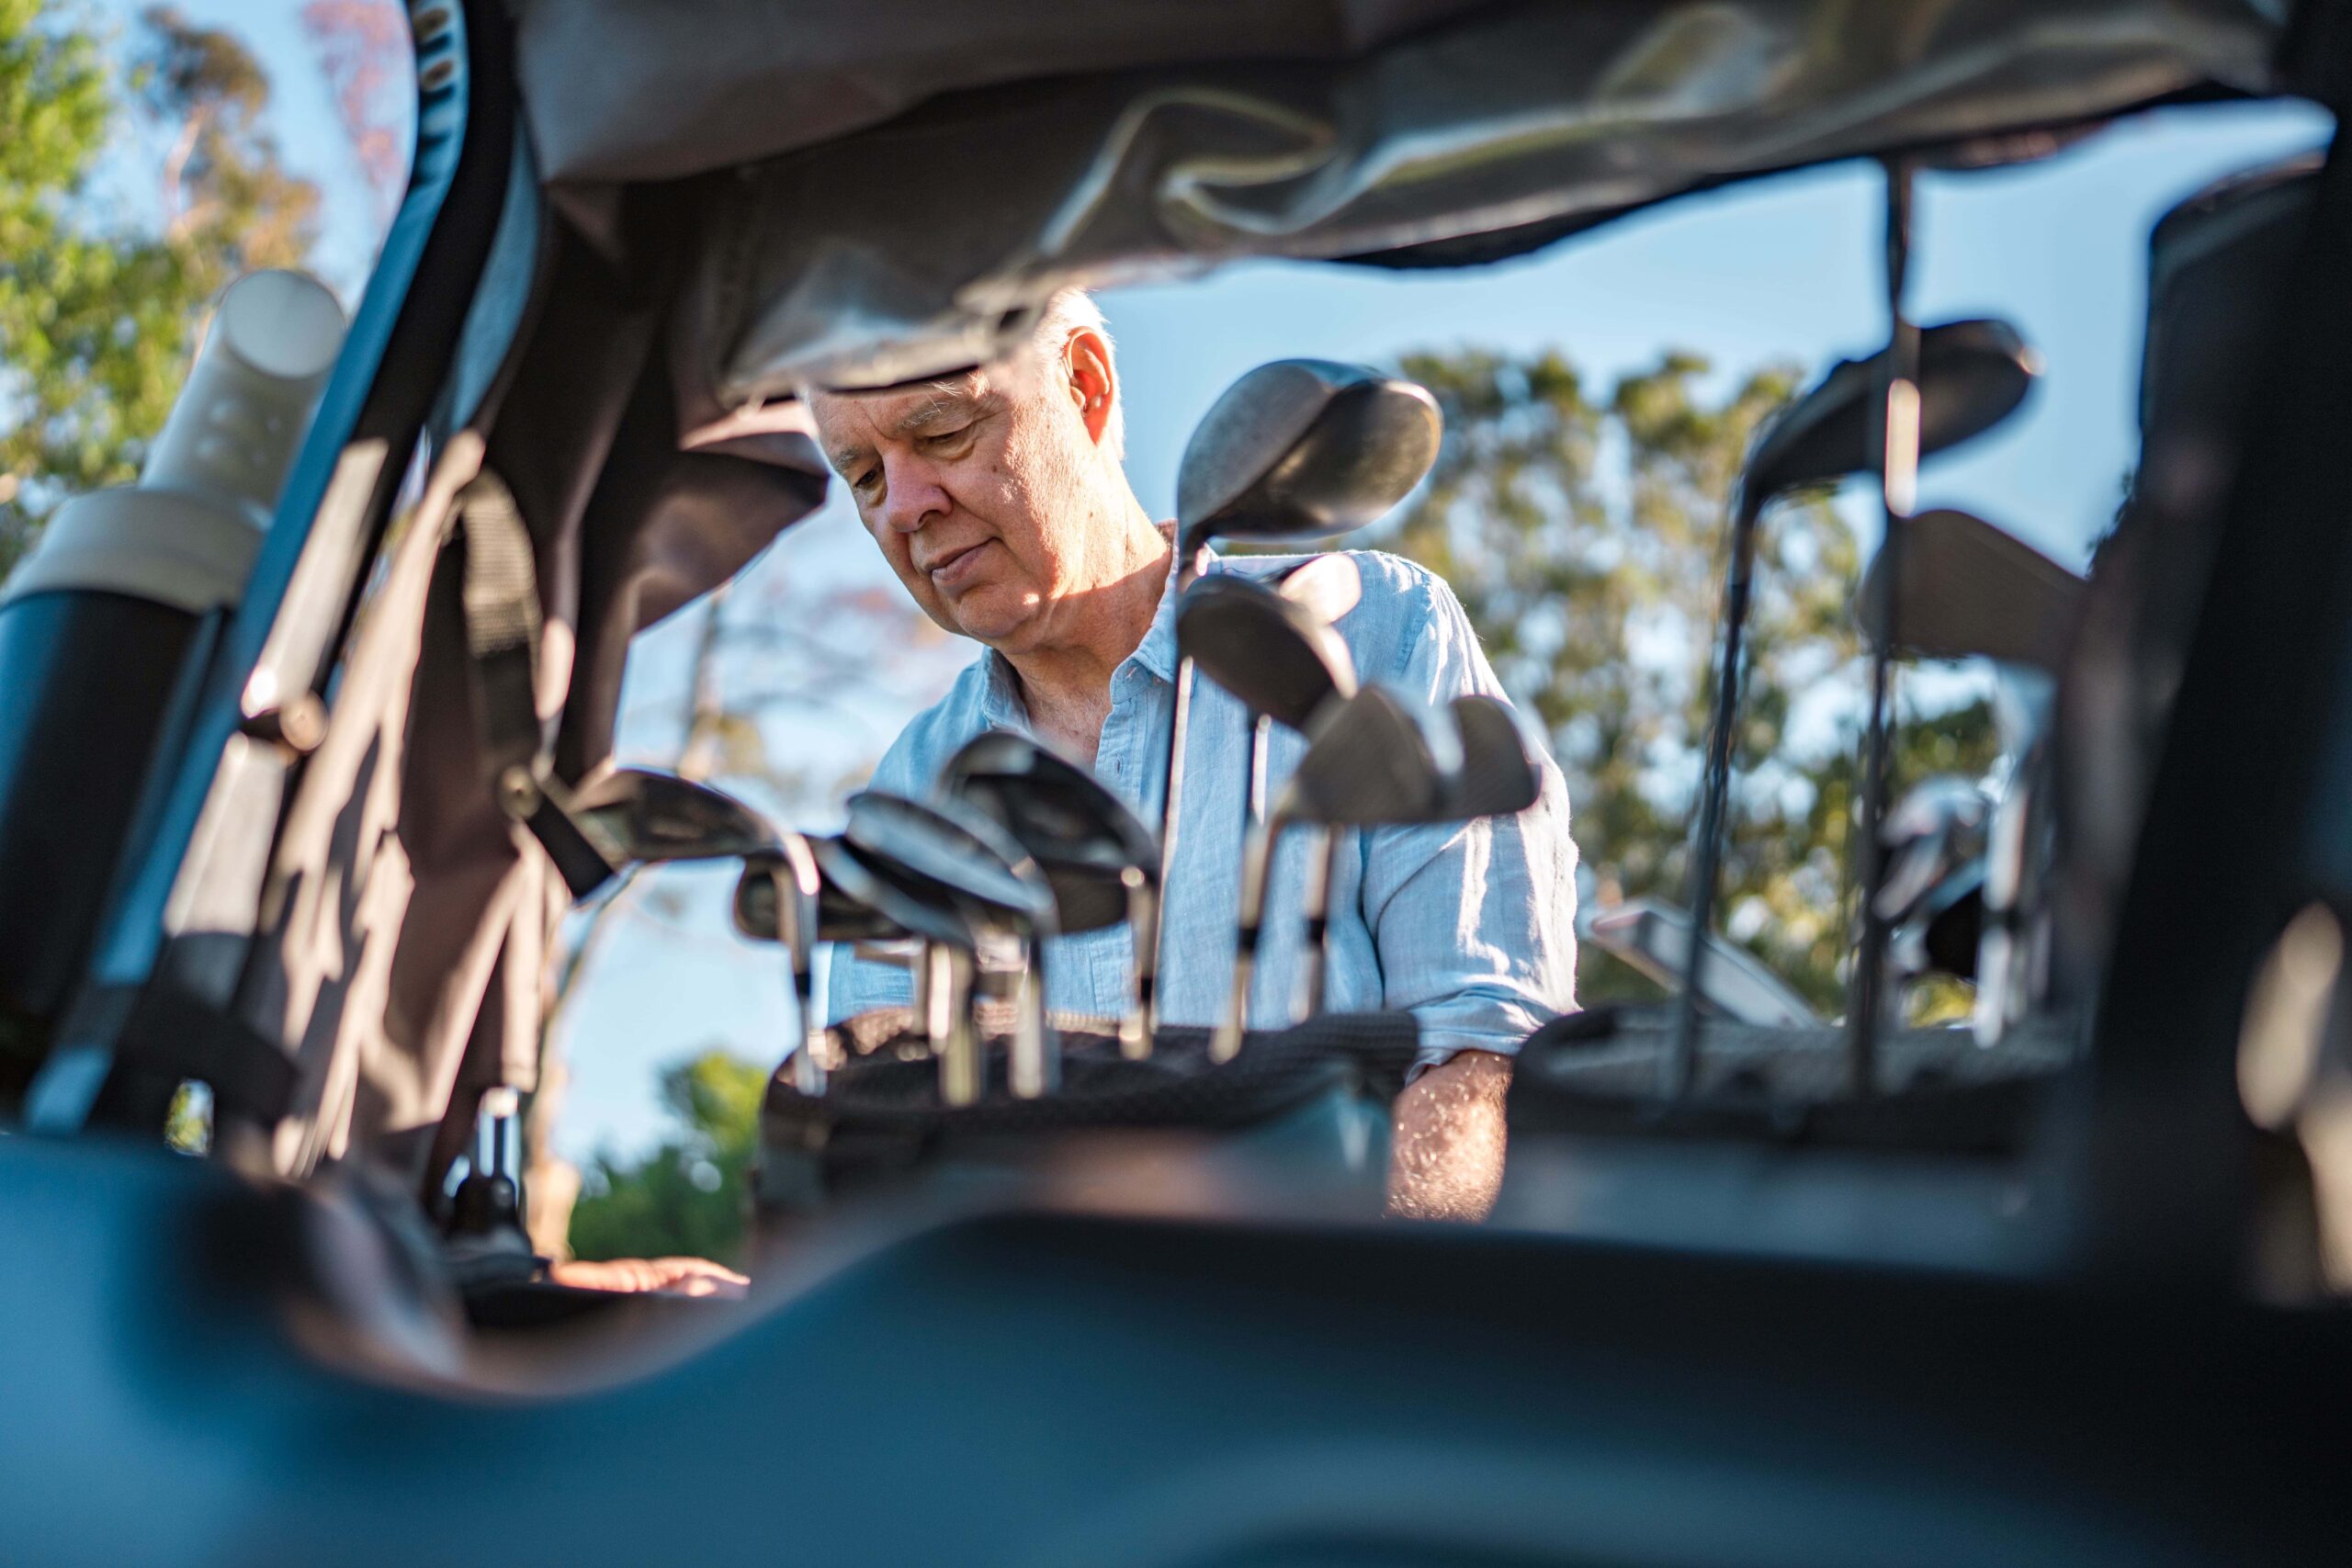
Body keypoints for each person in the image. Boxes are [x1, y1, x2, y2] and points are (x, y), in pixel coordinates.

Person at [807, 293, 1578, 1218]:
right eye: (863, 476)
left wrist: (1319, 1293)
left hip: (1347, 1293)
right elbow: (885, 1161)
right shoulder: (910, 790)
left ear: (1084, 384)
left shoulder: (1379, 628)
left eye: (941, 433)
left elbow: (1479, 1048)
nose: (904, 506)